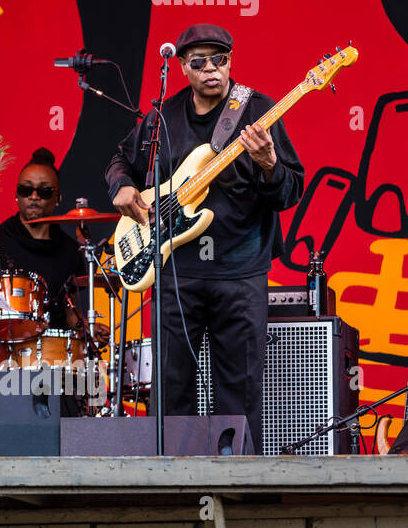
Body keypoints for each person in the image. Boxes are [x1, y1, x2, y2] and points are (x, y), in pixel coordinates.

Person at [106, 24, 304, 451]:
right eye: (199, 62)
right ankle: (172, 483)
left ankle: (240, 483)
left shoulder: (258, 111)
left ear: (231, 61)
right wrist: (122, 184)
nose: (212, 69)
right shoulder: (164, 117)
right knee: (171, 385)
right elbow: (123, 157)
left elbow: (290, 192)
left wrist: (269, 163)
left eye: (221, 59)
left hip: (241, 270)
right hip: (177, 270)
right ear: (182, 67)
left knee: (241, 386)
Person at [0, 147, 106, 346]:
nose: (34, 196)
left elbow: (70, 311)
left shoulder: (70, 252)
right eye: (26, 190)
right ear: (17, 194)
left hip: (54, 356)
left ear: (58, 197)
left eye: (44, 191)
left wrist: (84, 327)